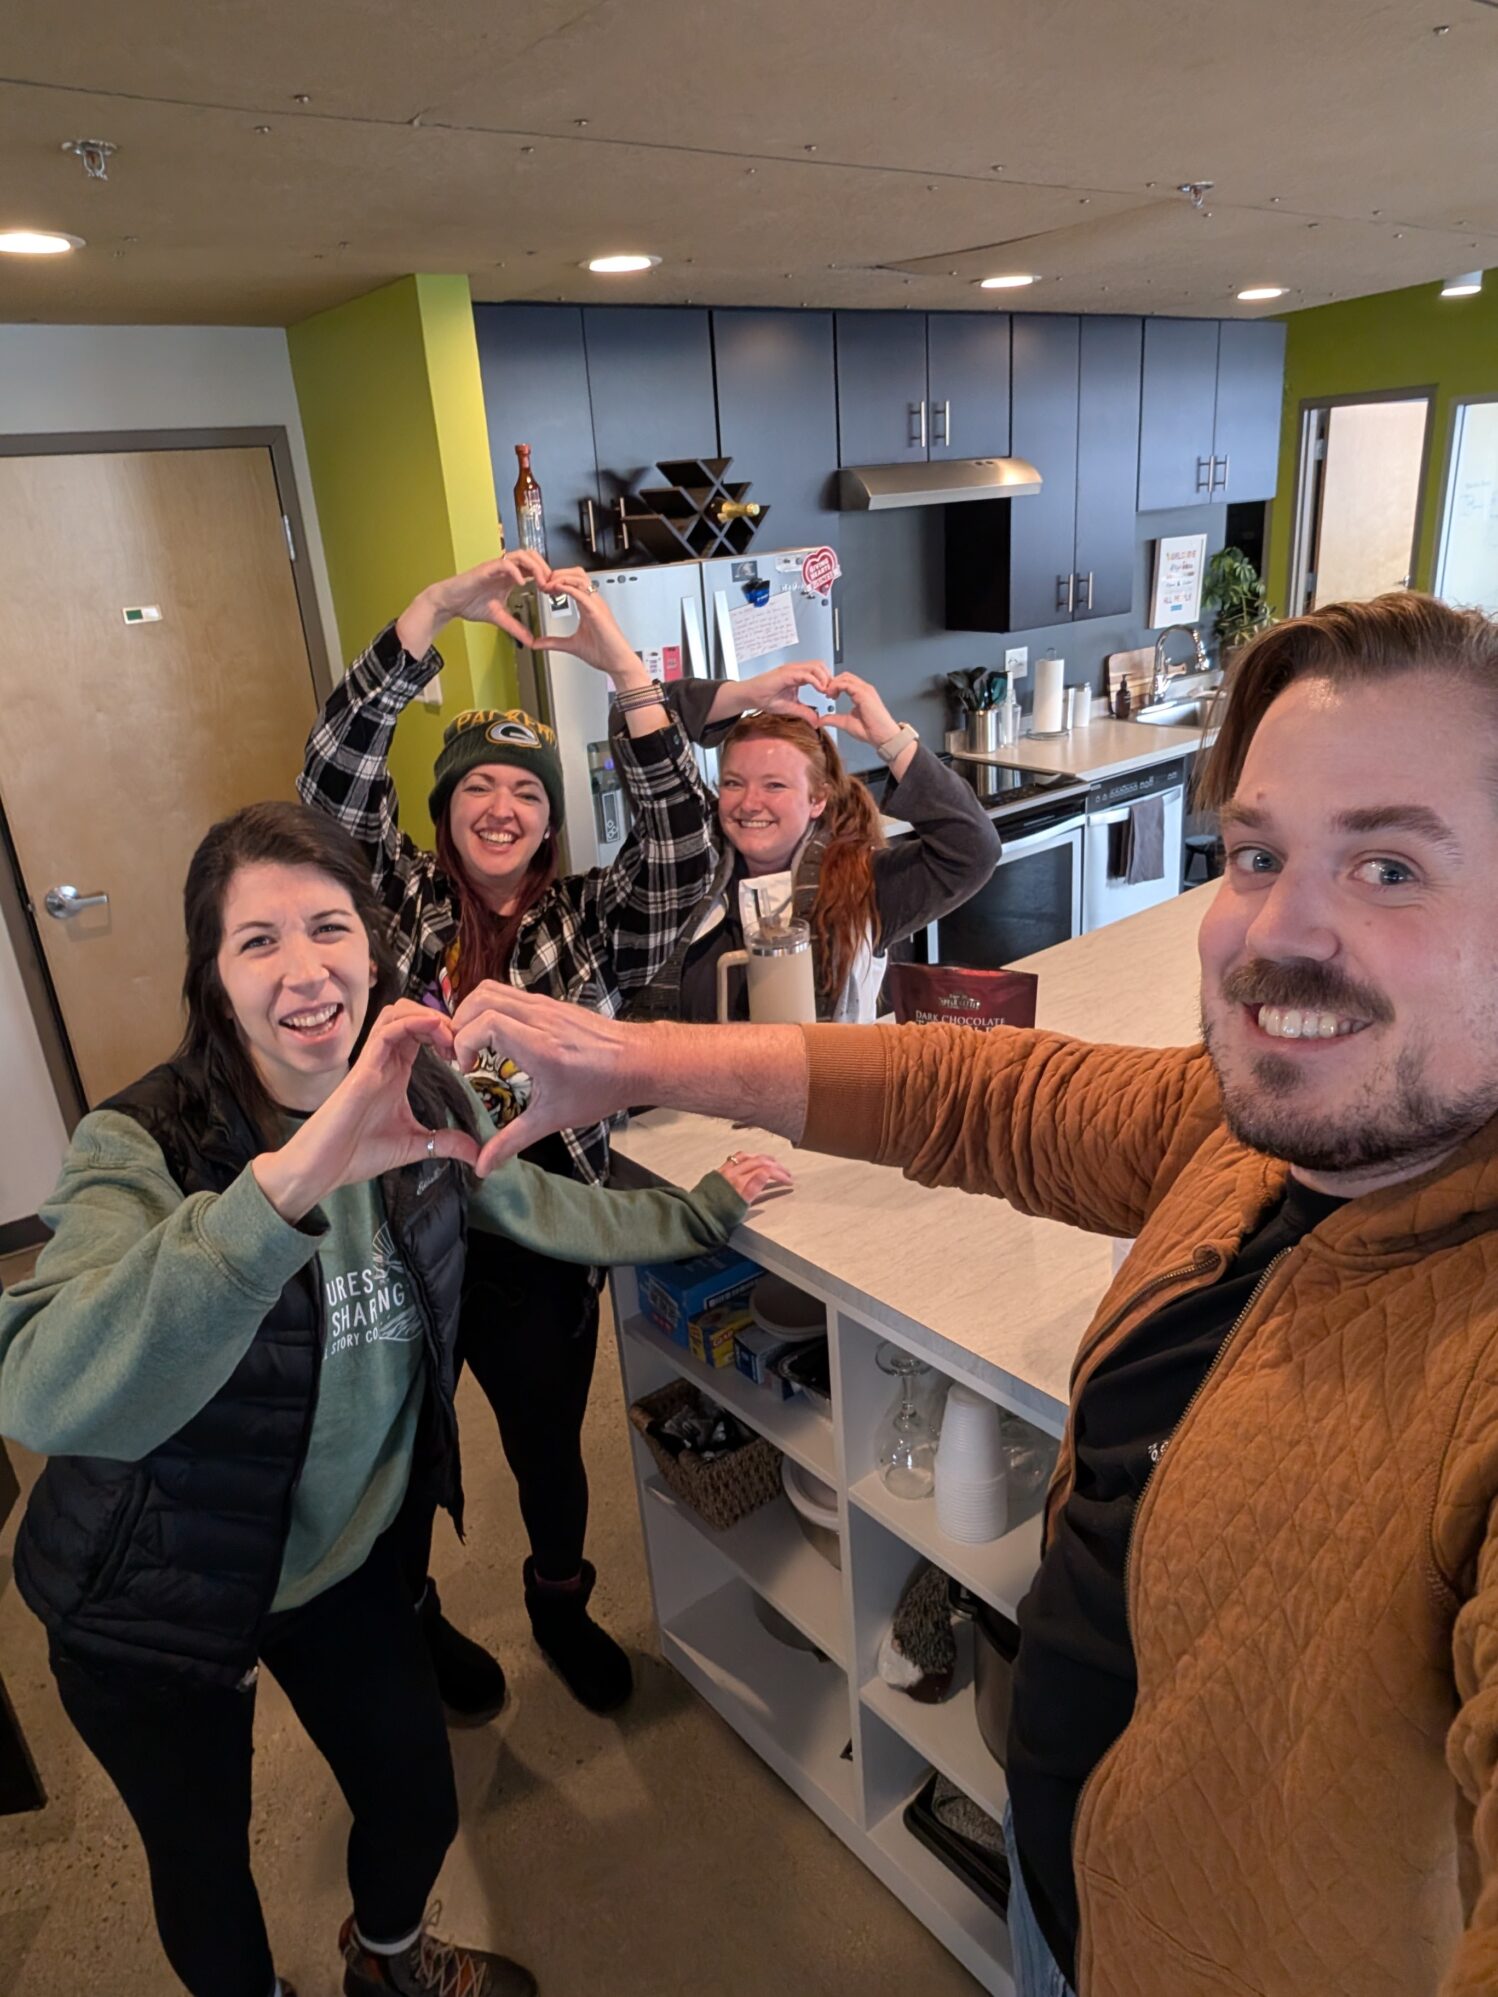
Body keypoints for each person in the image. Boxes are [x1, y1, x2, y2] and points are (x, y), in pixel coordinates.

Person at [433, 592, 1498, 1997]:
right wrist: (628, 1060)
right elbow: (977, 1088)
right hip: (1064, 1888)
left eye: (1390, 868)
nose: (1274, 931)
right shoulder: (1247, 1140)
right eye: (1254, 853)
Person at [0, 801, 788, 1997]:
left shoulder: (429, 1091)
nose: (304, 968)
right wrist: (291, 1181)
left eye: (329, 928)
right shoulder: (137, 1140)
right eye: (257, 940)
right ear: (213, 979)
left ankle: (384, 1962)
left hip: (343, 1564)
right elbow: (46, 1386)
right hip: (148, 1590)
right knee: (204, 1871)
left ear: (374, 952)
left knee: (417, 1800)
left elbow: (537, 1199)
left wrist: (700, 1209)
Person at [298, 551, 826, 1718]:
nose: (503, 806)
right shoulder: (391, 901)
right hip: (396, 1232)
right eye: (479, 786)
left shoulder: (591, 923)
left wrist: (624, 668)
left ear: (549, 817)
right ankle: (416, 1618)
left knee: (548, 1447)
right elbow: (333, 779)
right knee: (397, 1445)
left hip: (542, 1239)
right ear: (445, 807)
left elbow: (684, 847)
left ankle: (559, 1603)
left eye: (527, 791)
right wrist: (430, 610)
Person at [636, 673, 1001, 1023]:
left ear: (817, 799)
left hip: (821, 1071)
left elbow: (973, 850)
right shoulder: (682, 869)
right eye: (733, 783)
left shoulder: (863, 885)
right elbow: (637, 721)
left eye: (774, 785)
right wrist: (743, 693)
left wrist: (893, 741)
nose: (749, 804)